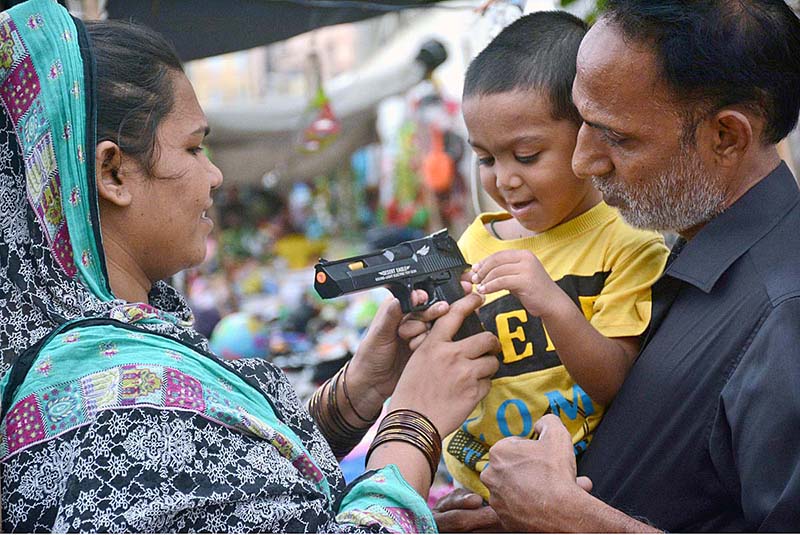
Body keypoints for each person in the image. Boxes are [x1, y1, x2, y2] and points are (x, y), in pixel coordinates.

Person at [0, 1, 501, 532]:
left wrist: (357, 392)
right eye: (194, 148)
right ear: (113, 172)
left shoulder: (88, 362)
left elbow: (241, 483)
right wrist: (412, 427)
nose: (215, 176)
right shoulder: (118, 416)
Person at [477, 0, 800, 532]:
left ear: (726, 137)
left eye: (618, 137)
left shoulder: (784, 312)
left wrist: (568, 517)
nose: (583, 161)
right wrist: (517, 509)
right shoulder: (694, 251)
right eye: (582, 121)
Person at [435, 9, 669, 516]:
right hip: (481, 500)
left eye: (526, 155)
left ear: (588, 136)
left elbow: (618, 382)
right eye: (486, 159)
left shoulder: (628, 243)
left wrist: (554, 305)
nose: (504, 179)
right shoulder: (473, 243)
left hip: (586, 500)